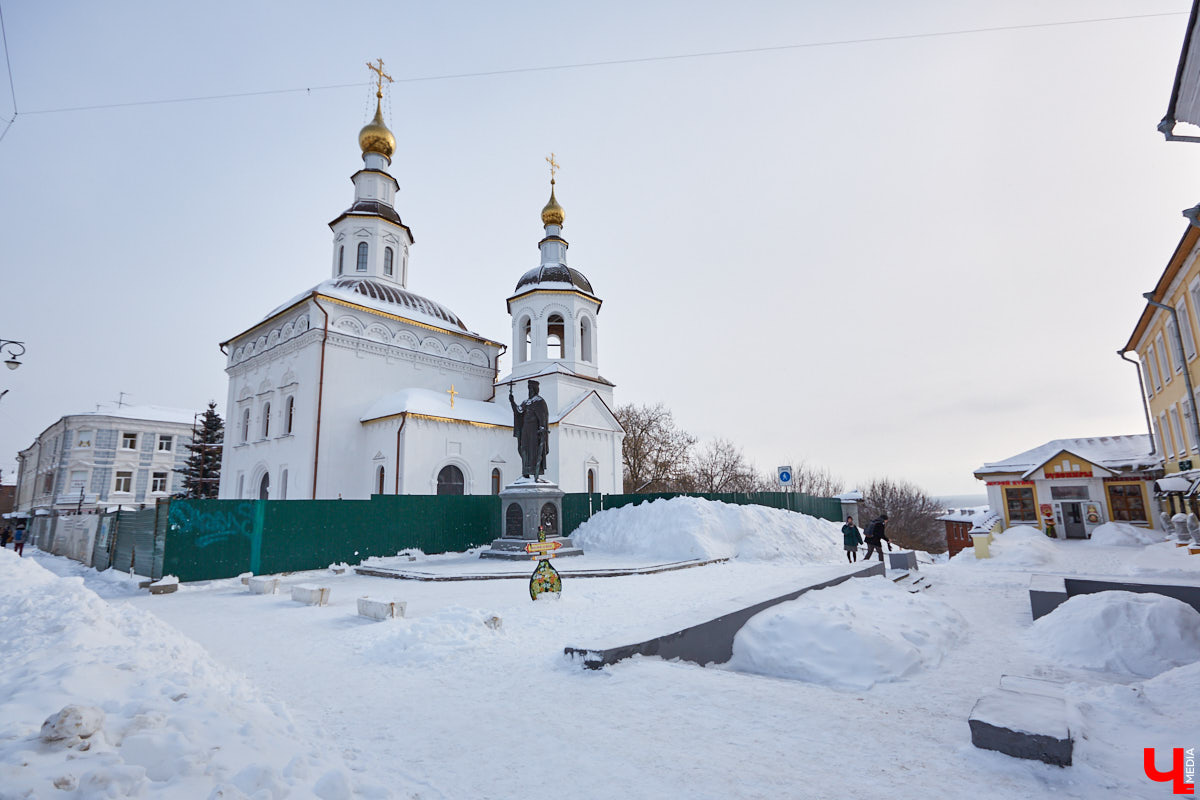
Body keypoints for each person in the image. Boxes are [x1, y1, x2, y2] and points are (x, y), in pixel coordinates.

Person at [510, 380, 549, 480]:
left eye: (531, 389)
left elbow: (543, 417)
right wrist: (512, 401)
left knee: (533, 452)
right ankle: (525, 471)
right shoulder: (526, 402)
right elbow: (518, 411)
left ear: (535, 390)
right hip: (525, 430)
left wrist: (542, 429)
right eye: (529, 389)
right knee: (523, 449)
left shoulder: (539, 401)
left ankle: (535, 472)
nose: (529, 391)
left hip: (534, 432)